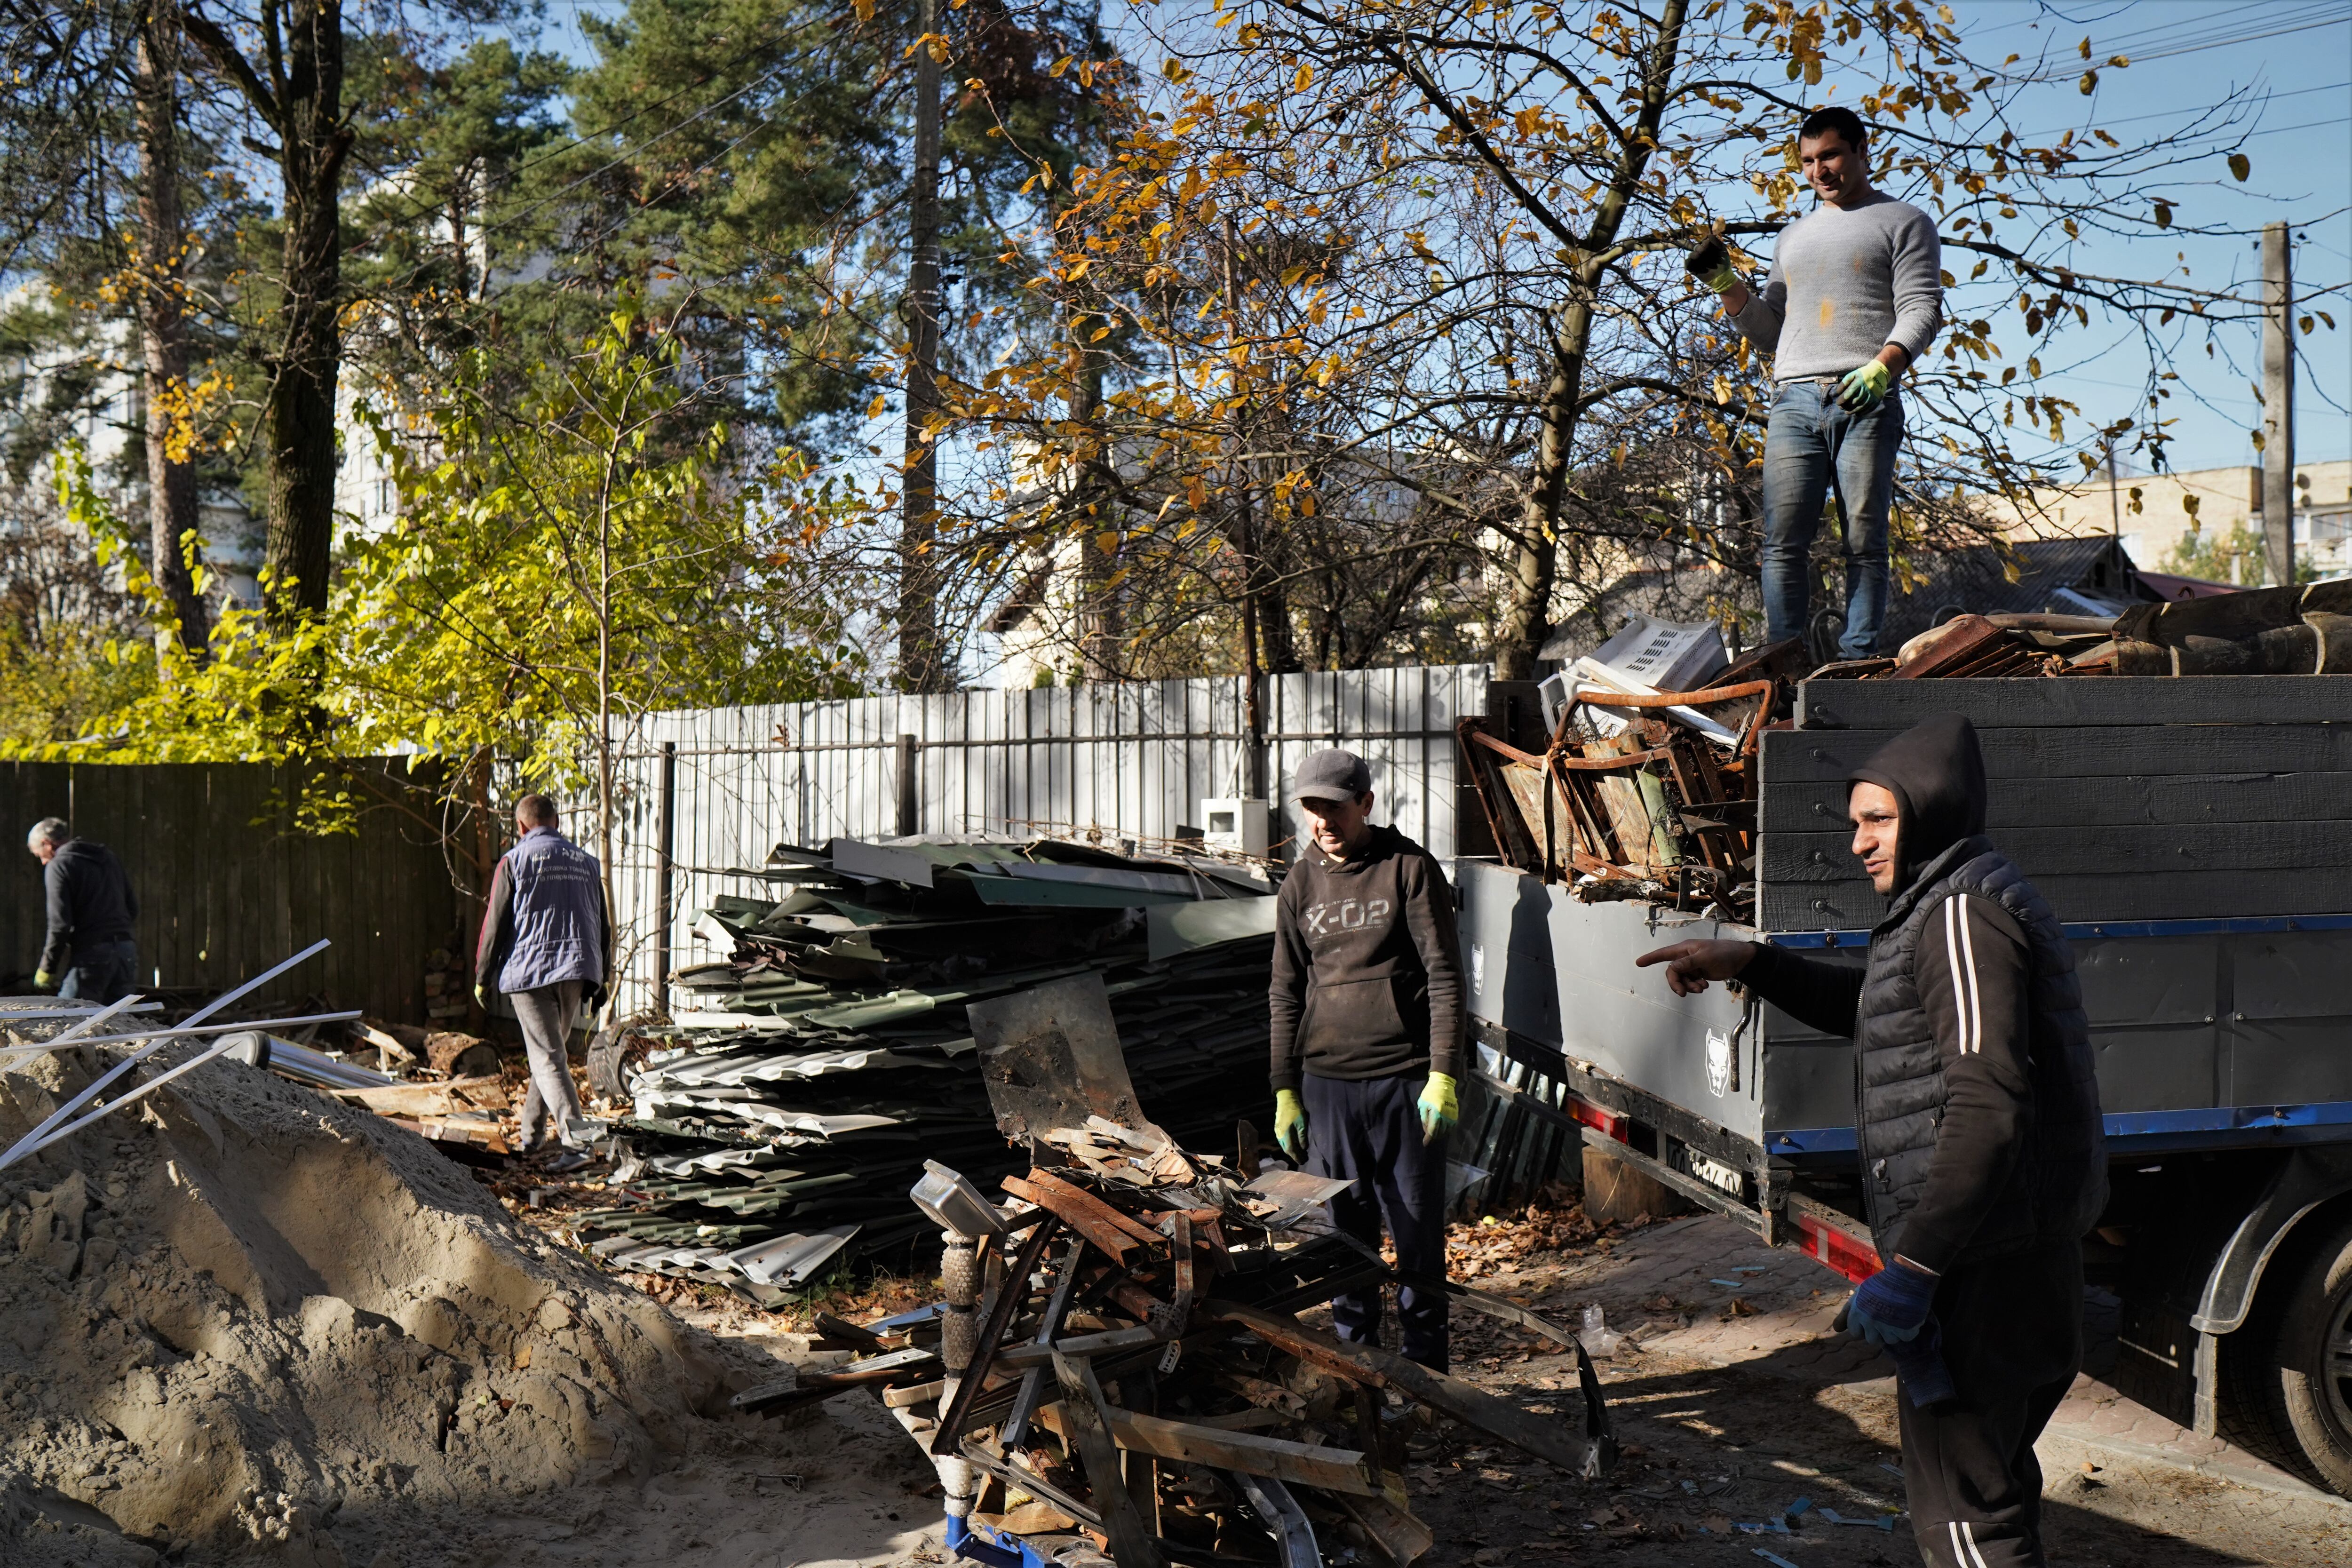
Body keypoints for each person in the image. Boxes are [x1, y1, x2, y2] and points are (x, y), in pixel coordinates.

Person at [1636, 715, 2105, 1568]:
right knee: (1989, 1491)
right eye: (1854, 822)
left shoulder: (1963, 914)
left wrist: (1917, 1267)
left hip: (1984, 1270)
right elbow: (1884, 1013)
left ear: (1930, 809)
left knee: (1966, 1517)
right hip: (1998, 1256)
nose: (1858, 843)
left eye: (1877, 820)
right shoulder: (1945, 904)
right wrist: (1753, 961)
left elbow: (1990, 1099)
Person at [1687, 105, 1943, 661]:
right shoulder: (1792, 237)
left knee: (1863, 542)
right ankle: (1782, 661)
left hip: (1865, 397)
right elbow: (1770, 332)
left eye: (1828, 155)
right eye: (1806, 161)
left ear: (1860, 150)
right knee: (1781, 544)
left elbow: (1922, 307)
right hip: (1793, 400)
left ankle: (1856, 662)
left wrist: (1883, 367)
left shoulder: (1903, 221)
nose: (1818, 170)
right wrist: (1727, 284)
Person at [1268, 748, 1465, 1370]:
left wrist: (1442, 1074)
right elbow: (1285, 992)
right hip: (1328, 1091)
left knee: (1416, 1245)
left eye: (1335, 806)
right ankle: (1363, 1377)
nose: (1324, 820)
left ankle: (1428, 1380)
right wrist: (1285, 1089)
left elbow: (1444, 978)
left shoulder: (1407, 868)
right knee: (1346, 1247)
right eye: (1313, 808)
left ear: (1366, 804)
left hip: (1405, 1085)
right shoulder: (1299, 884)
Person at [474, 796, 613, 1164]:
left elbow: (495, 924)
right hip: (578, 970)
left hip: (530, 972)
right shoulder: (586, 862)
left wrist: (482, 976)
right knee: (550, 1055)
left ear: (520, 827)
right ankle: (532, 1137)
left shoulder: (514, 860)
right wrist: (603, 978)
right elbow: (603, 926)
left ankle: (579, 1144)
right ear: (557, 821)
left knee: (548, 1059)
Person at [26, 818, 139, 1004]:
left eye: (40, 856)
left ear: (47, 844)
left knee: (69, 1018)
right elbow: (132, 907)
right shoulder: (108, 858)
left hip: (93, 955)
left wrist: (47, 968)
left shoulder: (59, 865)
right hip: (126, 950)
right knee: (119, 1021)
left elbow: (60, 925)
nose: (43, 863)